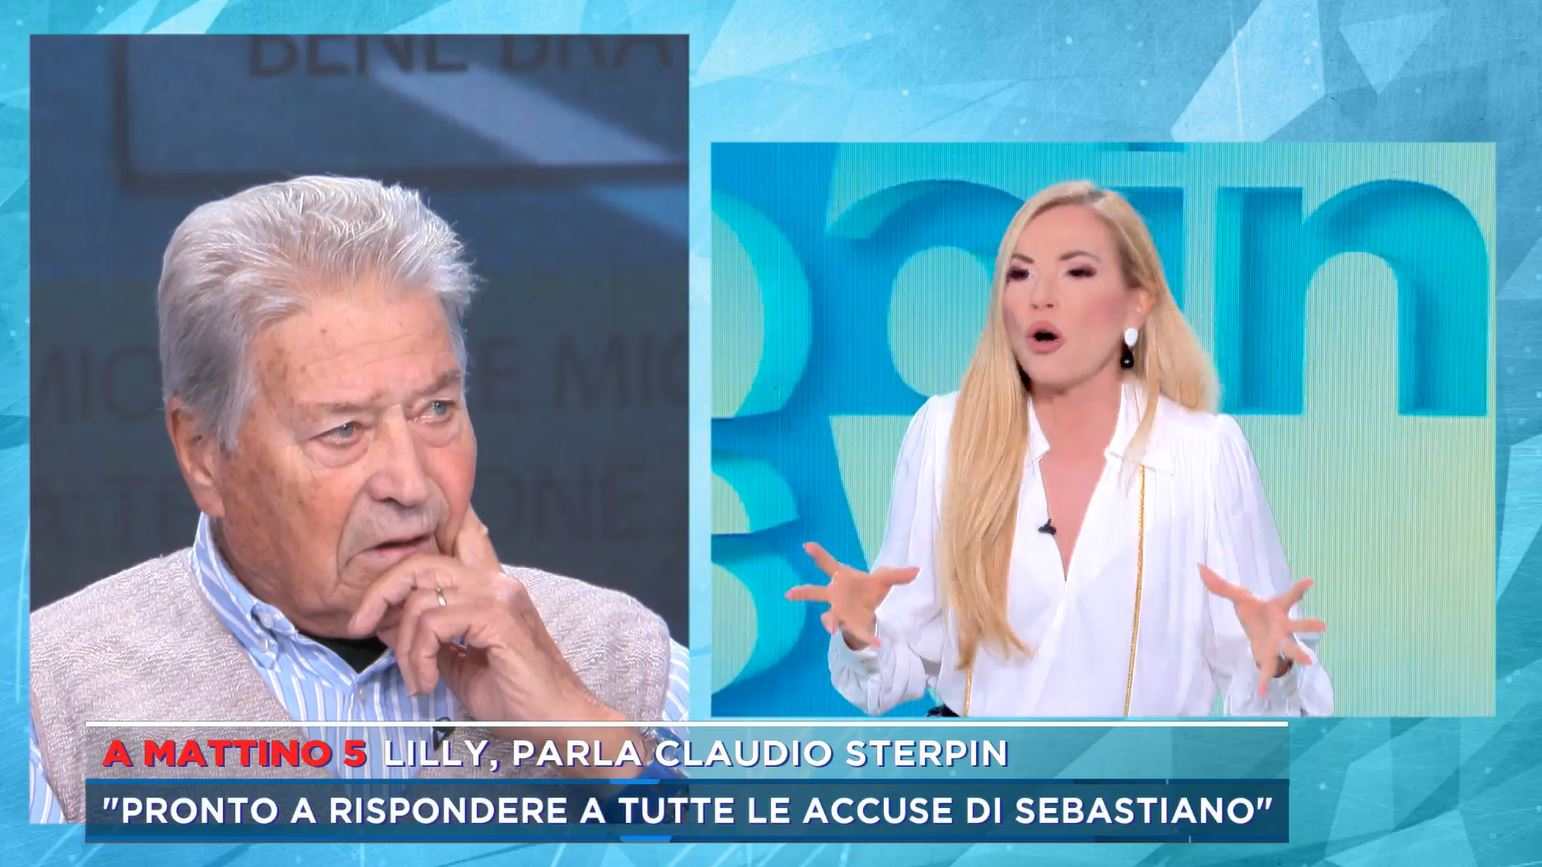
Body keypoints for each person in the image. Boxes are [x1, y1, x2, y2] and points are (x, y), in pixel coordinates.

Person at [29, 176, 689, 823]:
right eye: (344, 430)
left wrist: (597, 743)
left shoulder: (623, 658)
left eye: (437, 409)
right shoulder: (46, 701)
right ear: (203, 451)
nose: (410, 483)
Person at [788, 180, 1332, 717]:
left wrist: (1280, 665)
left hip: (1149, 774)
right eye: (1019, 273)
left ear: (1136, 304)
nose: (1039, 297)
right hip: (984, 772)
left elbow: (1275, 707)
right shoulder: (945, 433)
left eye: (1076, 272)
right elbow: (893, 675)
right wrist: (862, 633)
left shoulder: (1204, 453)